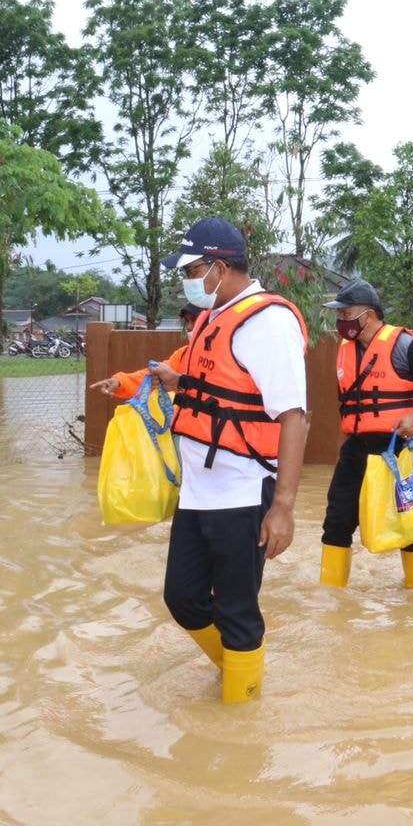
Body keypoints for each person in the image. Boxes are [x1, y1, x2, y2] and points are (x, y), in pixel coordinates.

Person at [148, 217, 308, 704]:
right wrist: (181, 383)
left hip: (243, 487)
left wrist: (283, 508)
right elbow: (226, 391)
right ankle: (238, 672)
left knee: (237, 611)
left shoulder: (268, 322)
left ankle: (242, 716)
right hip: (200, 490)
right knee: (182, 597)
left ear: (219, 267)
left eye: (191, 270)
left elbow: (294, 417)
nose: (187, 280)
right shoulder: (214, 316)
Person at [318, 278, 413, 589]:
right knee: (337, 521)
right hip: (356, 449)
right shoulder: (345, 351)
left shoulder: (405, 345)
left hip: (399, 448)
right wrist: (340, 453)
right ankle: (331, 597)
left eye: (346, 313)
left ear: (367, 315)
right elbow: (348, 408)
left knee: (411, 525)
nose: (341, 321)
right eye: (339, 315)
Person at [88, 304, 201, 399]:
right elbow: (149, 377)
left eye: (194, 320)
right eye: (187, 321)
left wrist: (179, 382)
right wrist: (119, 382)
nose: (189, 327)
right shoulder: (183, 354)